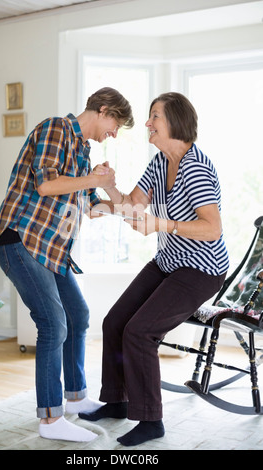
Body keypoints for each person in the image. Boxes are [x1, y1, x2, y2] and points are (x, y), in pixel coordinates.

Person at [79, 92, 229, 446]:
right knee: (115, 322)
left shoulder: (196, 168)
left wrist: (161, 224)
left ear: (175, 121)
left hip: (201, 270)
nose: (148, 123)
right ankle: (117, 401)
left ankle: (150, 421)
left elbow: (212, 229)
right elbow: (133, 209)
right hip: (168, 262)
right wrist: (107, 187)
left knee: (140, 331)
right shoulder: (161, 162)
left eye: (154, 116)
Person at [0, 87, 134, 442]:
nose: (114, 133)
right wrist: (94, 180)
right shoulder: (54, 129)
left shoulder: (82, 152)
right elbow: (46, 185)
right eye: (115, 124)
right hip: (19, 238)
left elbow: (87, 206)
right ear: (102, 110)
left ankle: (75, 398)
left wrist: (129, 209)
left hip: (51, 249)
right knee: (53, 323)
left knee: (78, 315)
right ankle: (50, 421)